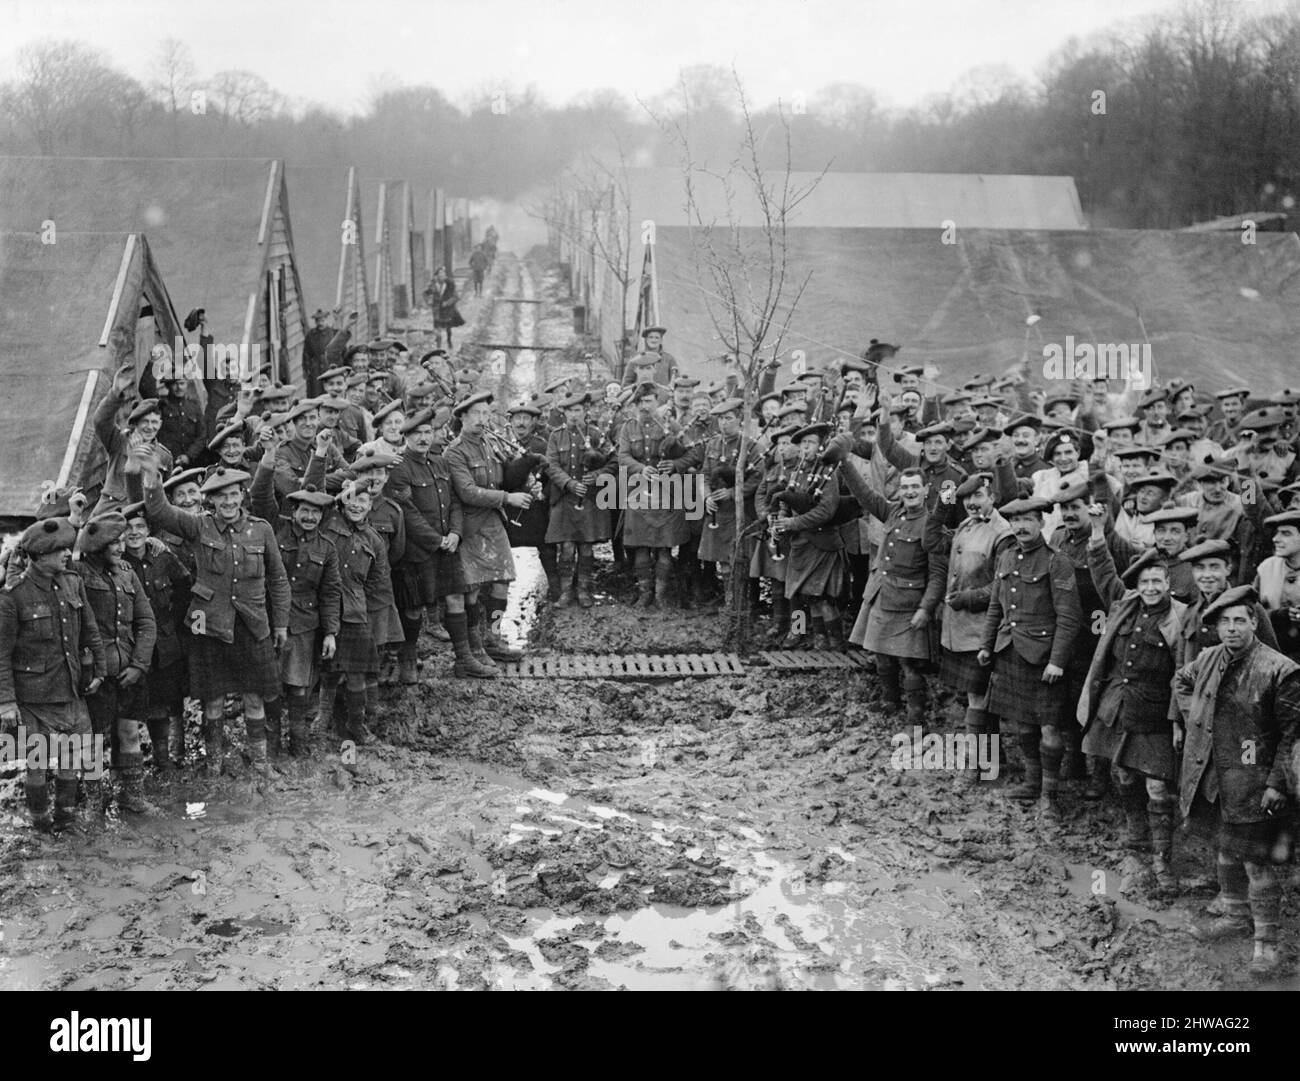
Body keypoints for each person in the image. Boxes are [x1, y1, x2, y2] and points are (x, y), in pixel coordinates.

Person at [138, 457, 289, 783]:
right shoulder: (199, 526)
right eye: (222, 497)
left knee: (255, 696)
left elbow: (277, 580)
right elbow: (160, 511)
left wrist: (280, 625)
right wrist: (151, 479)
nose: (229, 502)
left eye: (234, 494)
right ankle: (214, 764)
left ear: (243, 495)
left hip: (252, 624)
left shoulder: (261, 530)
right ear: (211, 500)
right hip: (209, 625)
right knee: (213, 700)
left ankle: (260, 763)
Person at [1175, 585, 1300, 976]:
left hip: (1257, 783)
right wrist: (1197, 717)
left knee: (1257, 864)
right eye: (1224, 622)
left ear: (1254, 623)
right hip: (1215, 776)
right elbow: (1181, 681)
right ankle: (1233, 915)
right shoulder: (1209, 658)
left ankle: (1267, 945)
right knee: (1224, 849)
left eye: (1239, 621)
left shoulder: (1280, 669)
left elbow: (1294, 734)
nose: (1231, 629)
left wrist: (1277, 784)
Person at [1079, 502, 1185, 890]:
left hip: (1156, 714)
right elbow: (1103, 571)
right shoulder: (1124, 605)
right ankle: (1135, 831)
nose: (1152, 588)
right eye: (1145, 582)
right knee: (1122, 773)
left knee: (1158, 785)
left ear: (1168, 583)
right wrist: (1096, 530)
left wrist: (1176, 721)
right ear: (1137, 585)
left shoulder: (1180, 619)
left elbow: (1184, 675)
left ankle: (1162, 859)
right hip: (1117, 706)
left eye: (1158, 581)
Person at [977, 496, 1083, 818]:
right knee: (1023, 726)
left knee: (1050, 730)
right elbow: (996, 605)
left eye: (1029, 520)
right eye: (1017, 520)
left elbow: (1069, 616)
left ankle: (1050, 794)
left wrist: (1057, 661)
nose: (1022, 526)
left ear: (1041, 523)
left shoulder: (1056, 561)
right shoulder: (1007, 557)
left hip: (1043, 657)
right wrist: (986, 644)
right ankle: (1031, 782)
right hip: (1011, 652)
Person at [0, 518, 106, 833]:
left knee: (76, 756)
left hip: (72, 687)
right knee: (36, 763)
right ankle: (40, 824)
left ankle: (67, 819)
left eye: (66, 548)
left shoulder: (73, 582)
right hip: (32, 696)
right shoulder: (11, 596)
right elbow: (1, 654)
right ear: (37, 556)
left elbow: (91, 631)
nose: (66, 555)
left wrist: (99, 670)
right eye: (58, 550)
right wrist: (5, 701)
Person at [387, 408, 497, 680]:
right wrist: (437, 541)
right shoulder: (398, 467)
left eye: (428, 432)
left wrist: (456, 534)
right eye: (417, 434)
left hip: (448, 545)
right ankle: (408, 659)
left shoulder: (440, 463)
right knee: (413, 607)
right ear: (406, 437)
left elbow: (455, 503)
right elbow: (408, 513)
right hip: (417, 550)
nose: (424, 438)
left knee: (456, 597)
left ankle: (464, 659)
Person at [927, 472, 1014, 779]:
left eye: (979, 496)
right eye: (967, 498)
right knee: (974, 696)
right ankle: (995, 760)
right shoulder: (965, 525)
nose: (972, 504)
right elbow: (932, 539)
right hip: (959, 628)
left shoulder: (1003, 534)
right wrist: (944, 497)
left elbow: (1004, 586)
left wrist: (968, 598)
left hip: (983, 629)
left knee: (978, 696)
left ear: (993, 497)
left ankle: (977, 765)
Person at [73, 511, 158, 816]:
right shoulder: (78, 572)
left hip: (129, 670)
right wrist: (75, 522)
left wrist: (139, 665)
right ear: (96, 546)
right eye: (113, 543)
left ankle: (131, 796)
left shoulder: (128, 574)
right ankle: (94, 802)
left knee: (130, 733)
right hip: (96, 673)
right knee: (93, 740)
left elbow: (147, 622)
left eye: (122, 541)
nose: (121, 547)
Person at [445, 392, 530, 661]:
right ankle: (474, 646)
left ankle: (492, 637)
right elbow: (468, 492)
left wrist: (526, 483)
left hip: (493, 522)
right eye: (477, 414)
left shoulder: (490, 444)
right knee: (471, 589)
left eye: (486, 414)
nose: (483, 419)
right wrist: (507, 498)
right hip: (470, 526)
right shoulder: (455, 452)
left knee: (502, 581)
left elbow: (503, 476)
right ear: (462, 418)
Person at [317, 484, 394, 743]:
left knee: (357, 672)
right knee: (327, 669)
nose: (356, 505)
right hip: (323, 609)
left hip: (355, 612)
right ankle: (322, 719)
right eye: (351, 499)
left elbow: (377, 581)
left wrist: (357, 599)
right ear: (341, 501)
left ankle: (356, 724)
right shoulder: (327, 523)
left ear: (371, 505)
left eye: (363, 500)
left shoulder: (374, 540)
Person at [120, 501, 192, 775]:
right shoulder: (119, 562)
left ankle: (173, 754)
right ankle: (158, 758)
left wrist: (175, 626)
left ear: (149, 530)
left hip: (166, 643)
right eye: (128, 528)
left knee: (170, 698)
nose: (134, 533)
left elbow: (185, 590)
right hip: (136, 646)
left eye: (140, 527)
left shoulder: (164, 557)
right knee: (148, 704)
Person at [270, 486, 340, 756]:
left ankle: (298, 746)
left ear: (322, 516)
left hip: (304, 625)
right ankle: (272, 748)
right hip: (271, 618)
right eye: (304, 511)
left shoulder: (327, 548)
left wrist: (331, 632)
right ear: (294, 512)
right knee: (270, 688)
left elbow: (331, 591)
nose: (309, 517)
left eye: (315, 512)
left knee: (299, 689)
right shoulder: (276, 534)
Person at [771, 424, 849, 649]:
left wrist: (793, 523)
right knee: (801, 593)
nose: (806, 447)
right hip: (800, 542)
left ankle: (835, 642)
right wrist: (780, 521)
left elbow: (827, 511)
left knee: (821, 596)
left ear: (821, 446)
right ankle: (810, 636)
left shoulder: (828, 473)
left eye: (811, 442)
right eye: (803, 443)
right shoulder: (795, 471)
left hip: (822, 542)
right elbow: (787, 499)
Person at [618, 384, 690, 609]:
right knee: (640, 546)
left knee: (664, 546)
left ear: (657, 402)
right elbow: (622, 456)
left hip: (667, 493)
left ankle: (661, 594)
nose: (645, 406)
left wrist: (675, 464)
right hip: (639, 492)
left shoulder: (670, 424)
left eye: (649, 401)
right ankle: (644, 593)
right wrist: (640, 468)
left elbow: (693, 453)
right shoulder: (628, 428)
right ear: (636, 404)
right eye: (640, 402)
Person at [547, 392, 616, 608]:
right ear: (564, 413)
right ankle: (566, 592)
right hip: (565, 499)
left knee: (586, 548)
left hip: (590, 500)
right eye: (570, 411)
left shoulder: (596, 435)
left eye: (578, 410)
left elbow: (614, 462)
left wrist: (596, 476)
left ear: (584, 412)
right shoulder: (556, 436)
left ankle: (584, 590)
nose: (574, 415)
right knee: (566, 548)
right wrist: (568, 483)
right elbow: (551, 465)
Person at [92, 365, 175, 514]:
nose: (150, 427)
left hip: (143, 513)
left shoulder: (165, 456)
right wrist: (115, 393)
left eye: (155, 422)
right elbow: (100, 421)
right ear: (135, 423)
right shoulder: (119, 441)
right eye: (145, 422)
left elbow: (165, 493)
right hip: (112, 509)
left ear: (160, 424)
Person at [425, 267, 465, 351]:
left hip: (447, 310)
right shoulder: (433, 285)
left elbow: (456, 297)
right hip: (437, 309)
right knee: (437, 328)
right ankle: (438, 347)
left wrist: (447, 303)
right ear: (436, 276)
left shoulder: (450, 284)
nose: (441, 275)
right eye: (439, 274)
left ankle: (449, 340)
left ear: (445, 275)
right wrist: (429, 302)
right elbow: (426, 293)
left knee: (448, 327)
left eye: (443, 274)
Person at [303, 309, 335, 398]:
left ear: (326, 320)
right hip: (315, 367)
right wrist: (306, 369)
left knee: (328, 389)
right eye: (318, 321)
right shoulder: (311, 334)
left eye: (322, 321)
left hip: (328, 365)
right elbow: (306, 353)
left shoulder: (331, 333)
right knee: (314, 391)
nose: (320, 323)